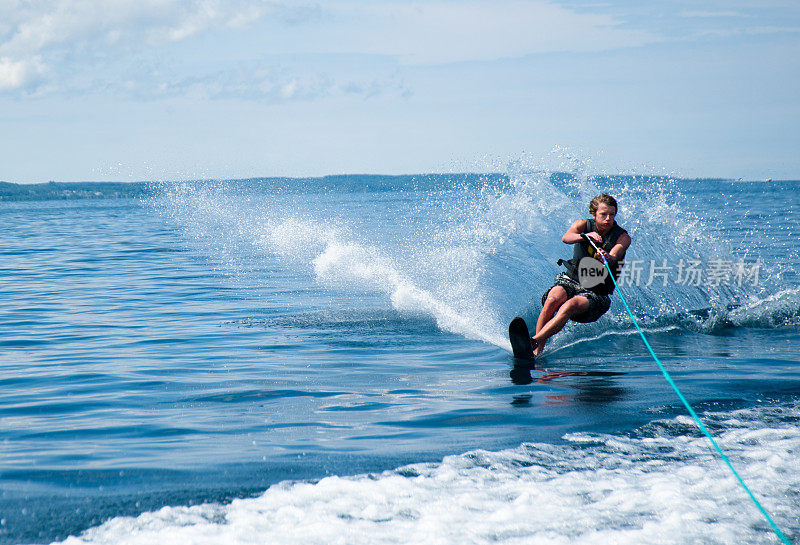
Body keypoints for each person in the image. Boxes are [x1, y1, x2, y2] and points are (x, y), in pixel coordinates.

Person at [531, 193, 631, 357]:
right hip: (571, 280)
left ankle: (534, 340)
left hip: (596, 293)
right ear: (594, 214)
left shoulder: (622, 237)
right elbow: (566, 237)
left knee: (569, 306)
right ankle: (536, 351)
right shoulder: (583, 225)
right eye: (603, 214)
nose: (608, 219)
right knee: (552, 299)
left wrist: (608, 256)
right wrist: (584, 236)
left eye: (611, 215)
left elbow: (616, 252)